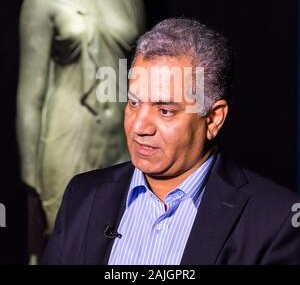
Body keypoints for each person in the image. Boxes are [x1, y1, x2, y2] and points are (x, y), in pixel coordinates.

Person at [41, 18, 300, 264]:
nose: (139, 127)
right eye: (134, 103)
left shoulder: (275, 220)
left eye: (165, 110)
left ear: (213, 119)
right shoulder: (83, 194)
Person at [17, 0, 145, 260]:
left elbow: (137, 75)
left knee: (118, 239)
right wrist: (30, 179)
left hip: (120, 134)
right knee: (67, 239)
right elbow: (30, 94)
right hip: (67, 130)